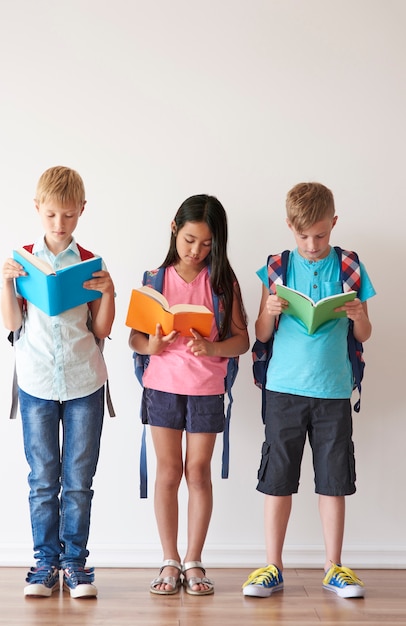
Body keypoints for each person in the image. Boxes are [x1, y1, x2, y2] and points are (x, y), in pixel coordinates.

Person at [242, 182, 375, 600]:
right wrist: (268, 311)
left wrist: (355, 315)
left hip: (333, 390)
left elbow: (366, 332)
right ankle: (272, 566)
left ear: (333, 223)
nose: (312, 244)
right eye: (303, 236)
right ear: (289, 227)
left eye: (320, 235)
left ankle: (334, 566)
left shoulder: (350, 266)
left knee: (334, 481)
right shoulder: (277, 268)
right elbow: (260, 336)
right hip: (282, 389)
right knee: (277, 479)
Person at [1, 166, 115, 598]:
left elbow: (102, 331)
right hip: (36, 382)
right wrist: (8, 284)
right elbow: (12, 325)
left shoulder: (89, 262)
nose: (59, 224)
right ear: (37, 209)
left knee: (79, 479)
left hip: (85, 380)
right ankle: (45, 563)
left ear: (81, 211)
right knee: (43, 479)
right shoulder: (23, 261)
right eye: (50, 215)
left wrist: (109, 292)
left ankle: (75, 564)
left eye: (68, 216)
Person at [129, 194, 249, 596]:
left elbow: (241, 341)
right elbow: (135, 338)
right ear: (174, 229)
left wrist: (213, 348)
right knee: (168, 473)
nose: (197, 251)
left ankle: (194, 560)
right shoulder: (153, 280)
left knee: (197, 473)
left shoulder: (222, 283)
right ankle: (169, 560)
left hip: (206, 391)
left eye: (207, 244)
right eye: (190, 240)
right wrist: (153, 347)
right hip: (162, 388)